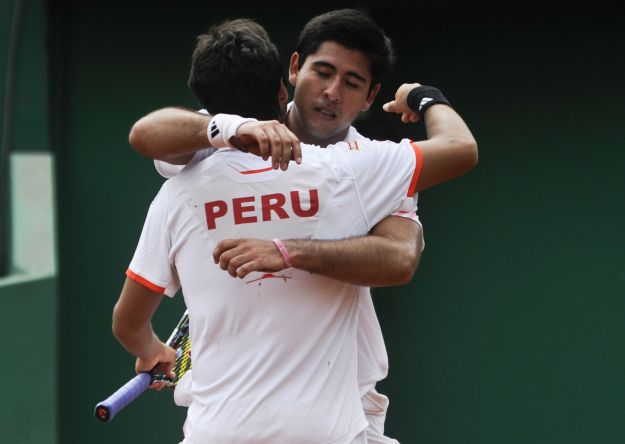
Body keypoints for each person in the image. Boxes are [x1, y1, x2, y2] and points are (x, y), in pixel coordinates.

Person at [127, 9, 477, 443]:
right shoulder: (225, 131)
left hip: (342, 407)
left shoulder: (370, 168)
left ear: (370, 97)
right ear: (294, 69)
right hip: (229, 411)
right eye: (323, 72)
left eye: (351, 83)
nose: (331, 93)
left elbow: (400, 259)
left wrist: (289, 251)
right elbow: (145, 134)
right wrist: (233, 129)